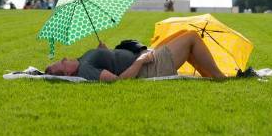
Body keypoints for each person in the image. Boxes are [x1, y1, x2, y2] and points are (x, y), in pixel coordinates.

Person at [45, 30, 227, 81]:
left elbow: (112, 64)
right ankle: (219, 77)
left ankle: (211, 77)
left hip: (145, 60)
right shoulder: (86, 70)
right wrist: (139, 62)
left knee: (183, 34)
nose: (63, 59)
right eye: (61, 63)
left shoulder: (83, 61)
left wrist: (105, 51)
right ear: (68, 74)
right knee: (191, 38)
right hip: (149, 68)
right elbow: (118, 80)